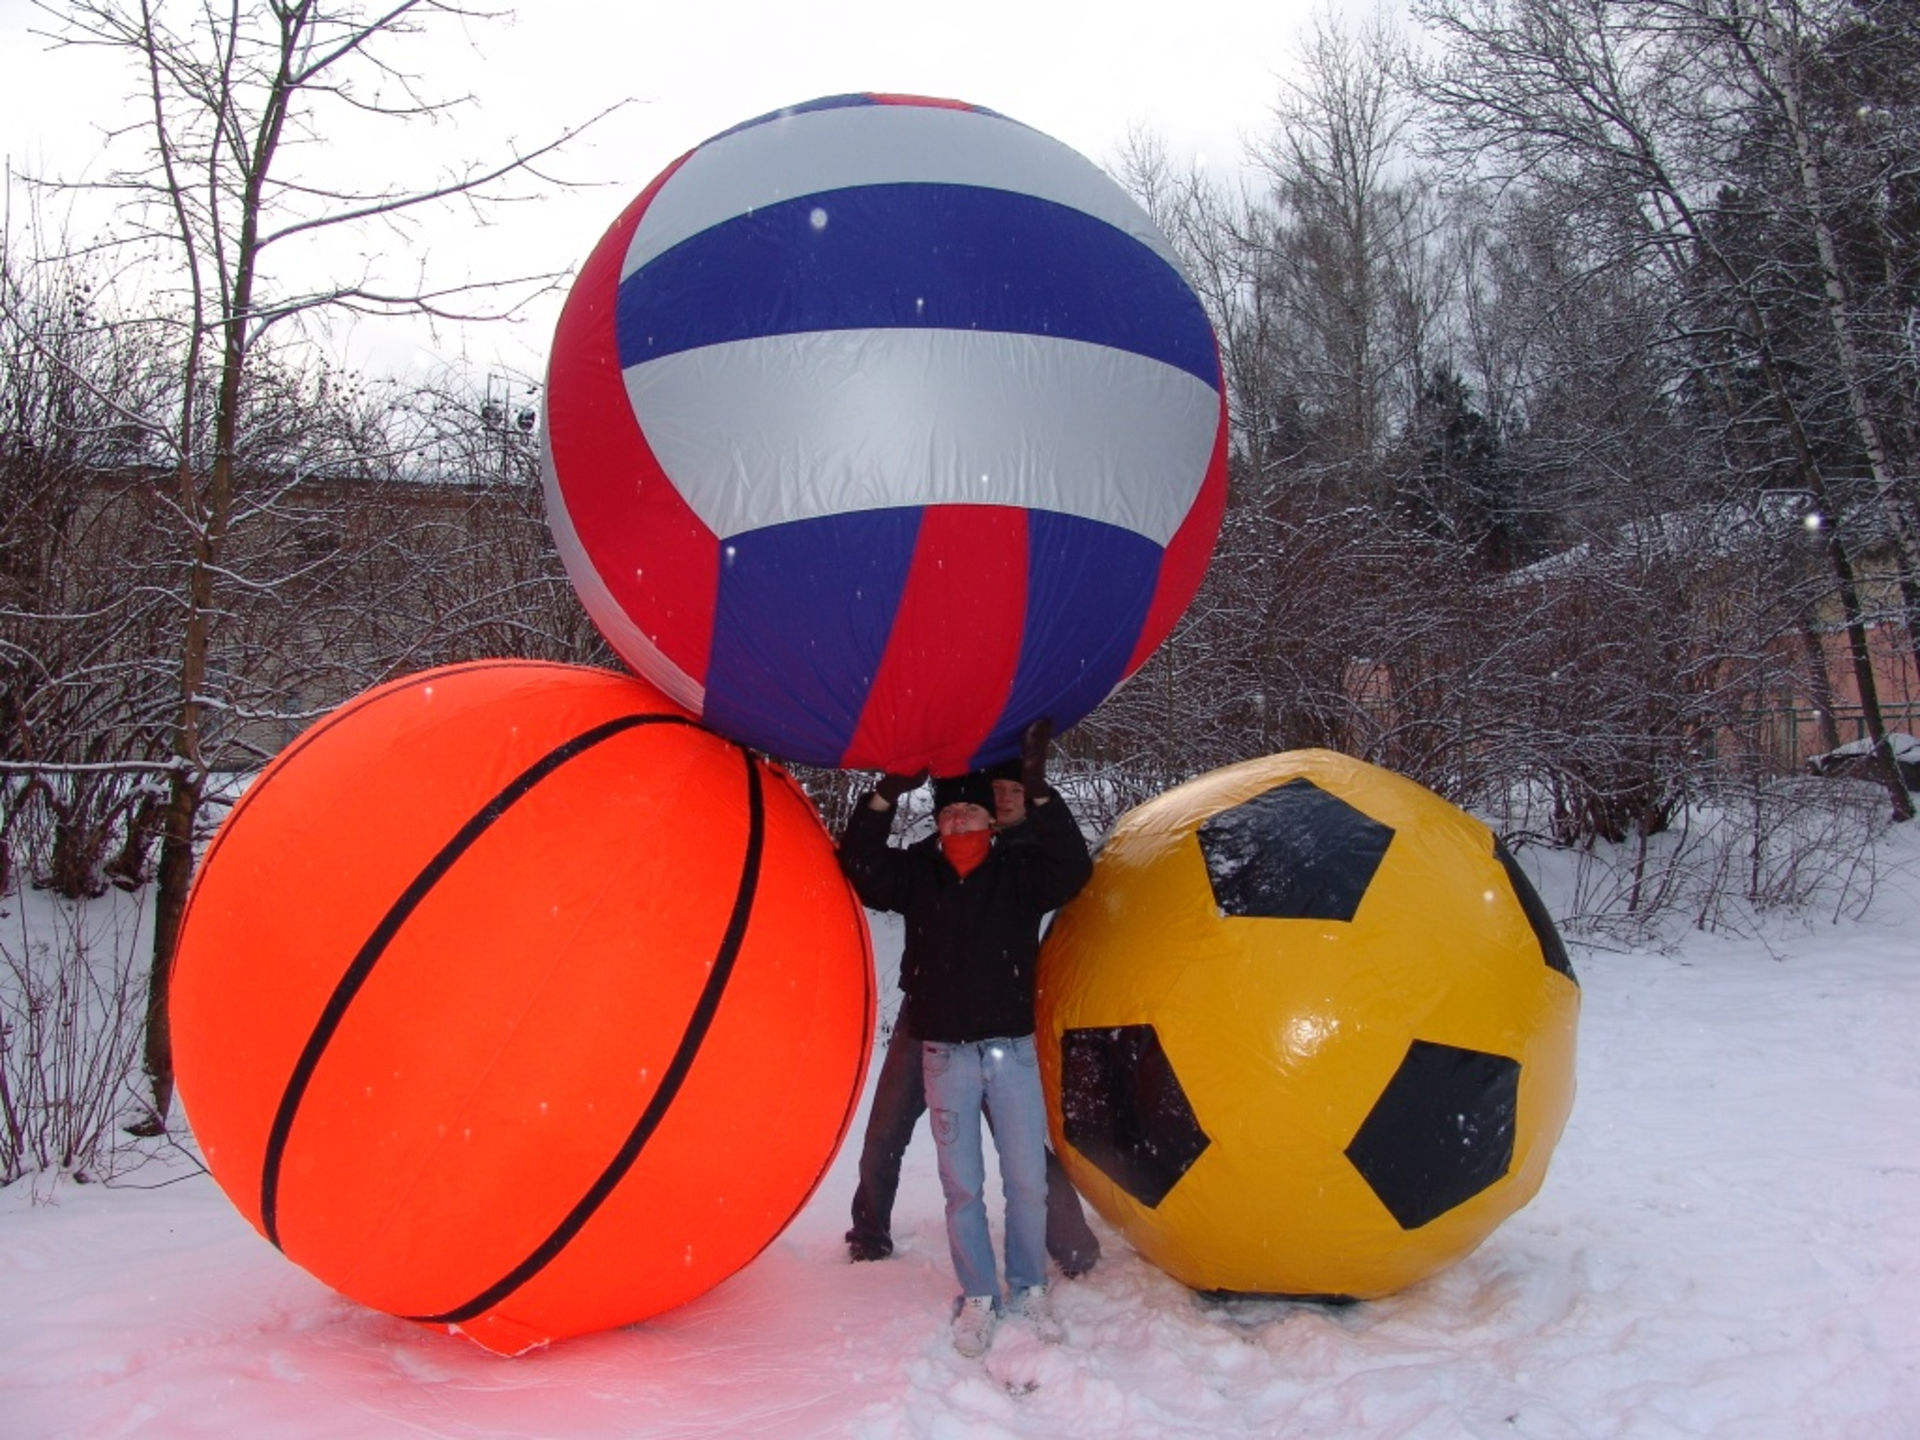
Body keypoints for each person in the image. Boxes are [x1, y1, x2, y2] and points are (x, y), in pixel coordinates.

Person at [838, 721, 1093, 1357]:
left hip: (1006, 1047)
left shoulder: (1020, 869)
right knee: (914, 1154)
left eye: (969, 809)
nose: (956, 817)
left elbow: (1070, 868)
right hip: (934, 1037)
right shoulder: (921, 872)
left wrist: (1037, 791)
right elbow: (861, 865)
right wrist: (884, 794)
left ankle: (1059, 1261)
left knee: (1026, 1169)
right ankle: (882, 1243)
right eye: (947, 809)